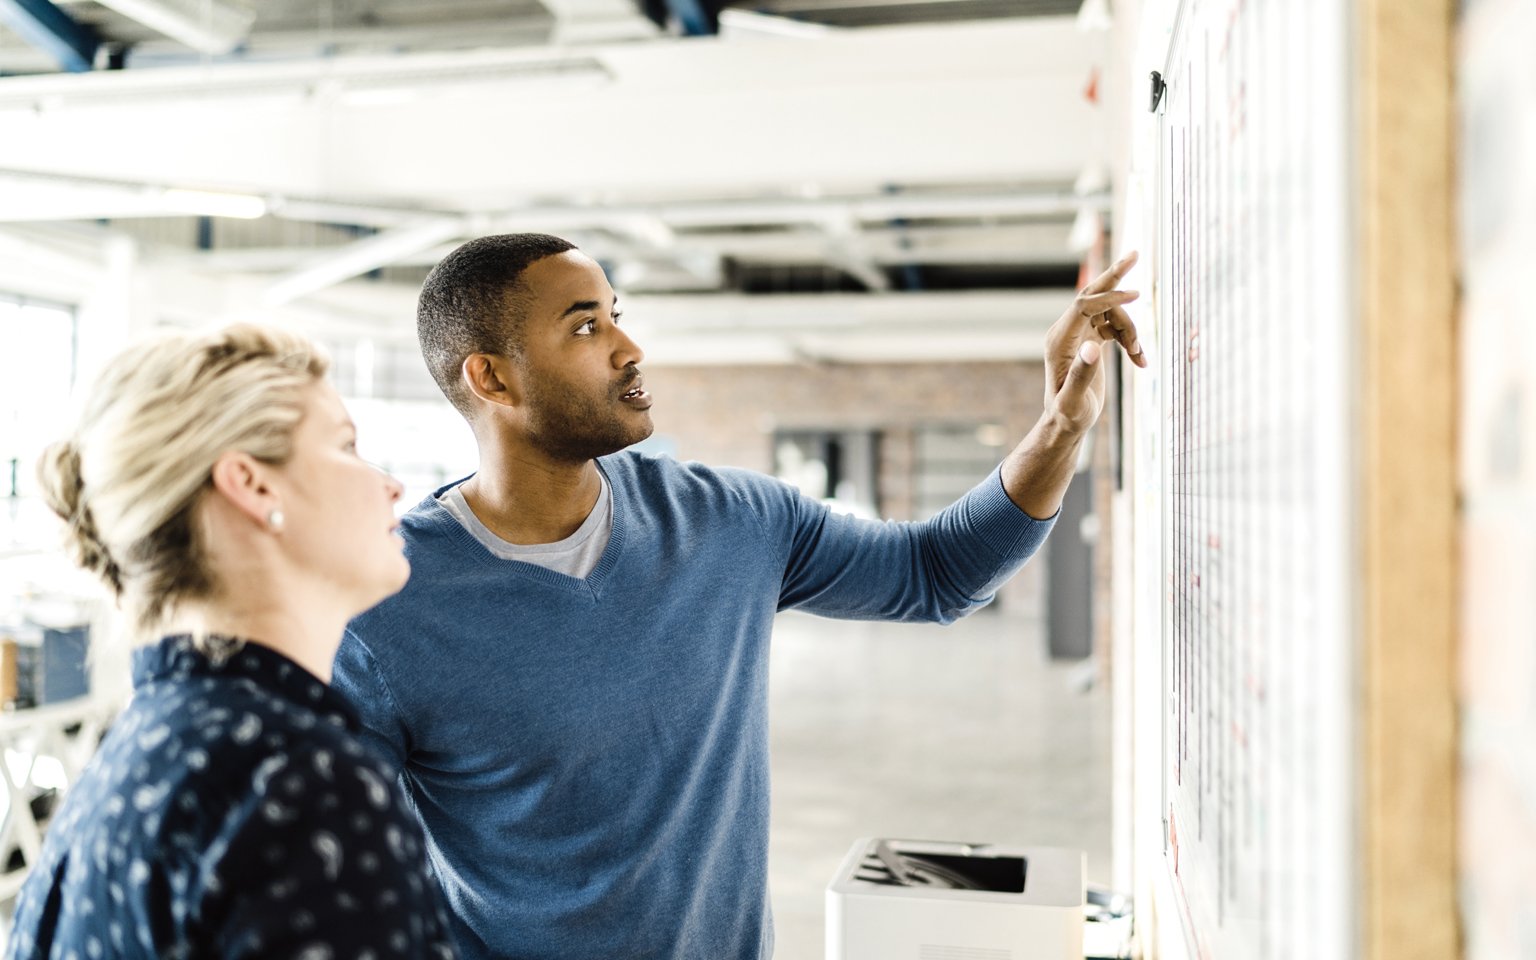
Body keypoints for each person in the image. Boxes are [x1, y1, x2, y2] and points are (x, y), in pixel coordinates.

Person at [332, 234, 1145, 959]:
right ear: (492, 379)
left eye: (617, 315)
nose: (628, 347)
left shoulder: (731, 519)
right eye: (586, 327)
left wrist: (1062, 428)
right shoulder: (382, 603)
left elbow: (936, 573)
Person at [7, 325, 459, 959]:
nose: (389, 485)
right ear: (252, 485)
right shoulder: (301, 785)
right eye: (346, 446)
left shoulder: (138, 762)